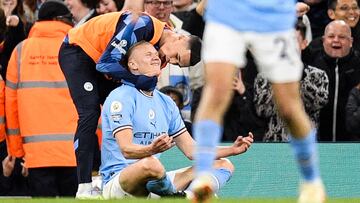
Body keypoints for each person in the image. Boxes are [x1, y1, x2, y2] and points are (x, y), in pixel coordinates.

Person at [191, 1, 326, 203]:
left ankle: (311, 182)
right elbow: (201, 9)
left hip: (271, 16)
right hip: (227, 14)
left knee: (289, 108)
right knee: (216, 93)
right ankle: (202, 178)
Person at [58, 8, 202, 198]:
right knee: (90, 113)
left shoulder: (161, 52)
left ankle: (119, 178)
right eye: (177, 56)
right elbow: (106, 64)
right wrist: (140, 81)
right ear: (181, 38)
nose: (171, 60)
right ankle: (84, 188)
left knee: (129, 108)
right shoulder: (141, 24)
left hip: (100, 60)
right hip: (77, 50)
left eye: (177, 64)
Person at [100, 41, 253, 199]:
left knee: (223, 164)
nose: (156, 58)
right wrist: (151, 150)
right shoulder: (121, 97)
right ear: (133, 65)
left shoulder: (166, 103)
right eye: (148, 55)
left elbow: (192, 150)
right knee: (150, 164)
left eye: (155, 54)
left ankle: (186, 197)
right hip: (121, 184)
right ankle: (172, 195)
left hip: (155, 183)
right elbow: (126, 149)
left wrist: (232, 150)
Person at [5, 0, 78, 197]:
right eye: (69, 18)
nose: (73, 22)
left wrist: (17, 152)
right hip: (75, 152)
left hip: (37, 154)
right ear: (57, 19)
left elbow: (10, 107)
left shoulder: (20, 52)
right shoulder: (77, 49)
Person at [254, 19, 329, 142]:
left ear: (304, 43)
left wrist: (296, 76)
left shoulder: (318, 75)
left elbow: (316, 104)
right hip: (272, 145)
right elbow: (263, 110)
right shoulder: (264, 76)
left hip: (307, 143)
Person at [306, 20, 360, 141]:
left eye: (342, 37)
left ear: (351, 42)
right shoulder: (310, 62)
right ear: (324, 40)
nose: (336, 40)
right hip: (316, 143)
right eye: (331, 36)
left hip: (353, 144)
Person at [302, 0, 360, 64]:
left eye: (355, 8)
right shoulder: (315, 48)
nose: (352, 12)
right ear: (331, 14)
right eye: (344, 8)